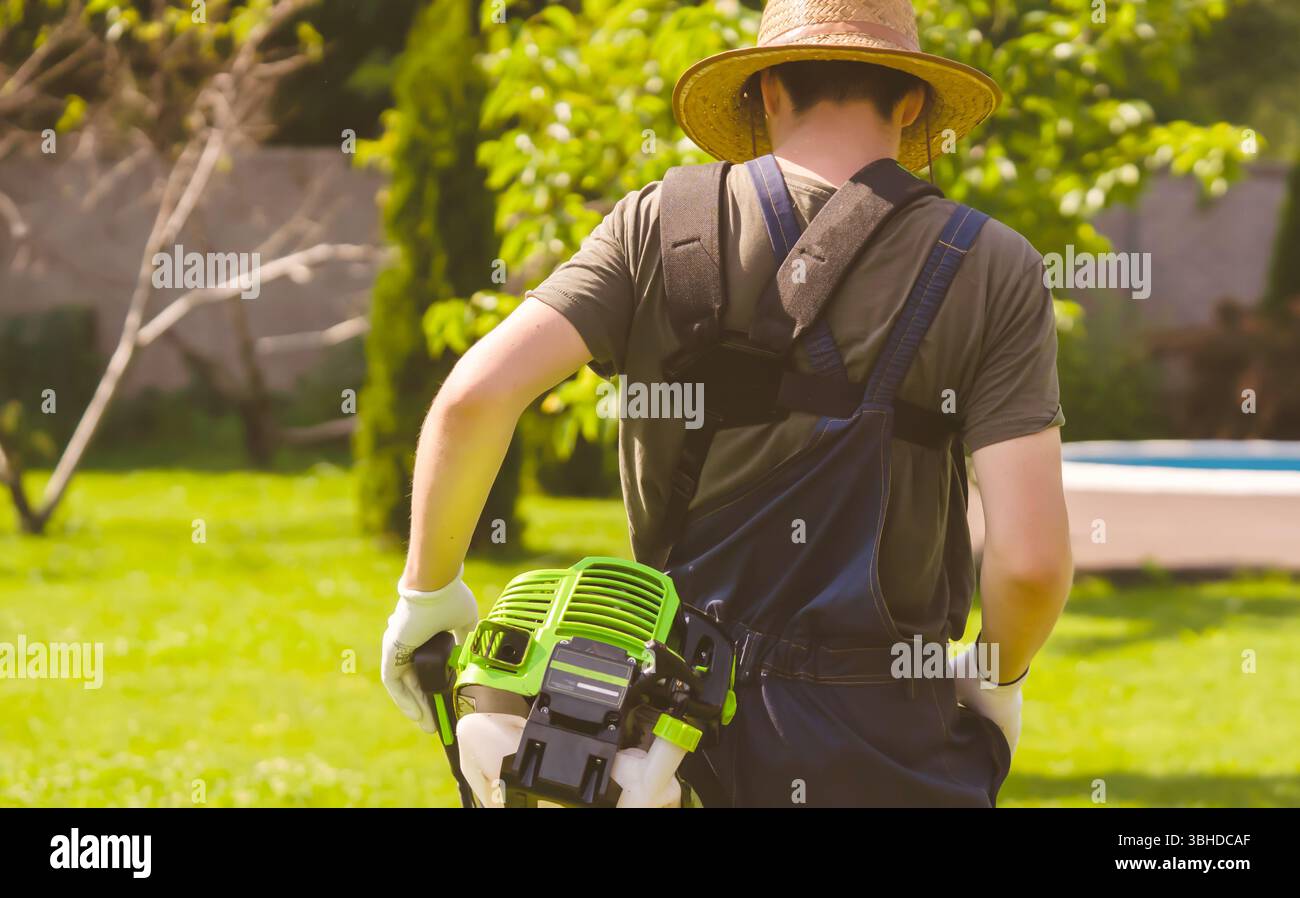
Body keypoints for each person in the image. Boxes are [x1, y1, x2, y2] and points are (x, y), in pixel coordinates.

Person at [381, 0, 1073, 807]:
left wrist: (428, 597)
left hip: (662, 730)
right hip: (887, 737)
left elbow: (473, 398)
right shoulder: (993, 266)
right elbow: (1028, 566)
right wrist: (997, 676)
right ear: (912, 101)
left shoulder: (654, 227)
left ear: (767, 89)